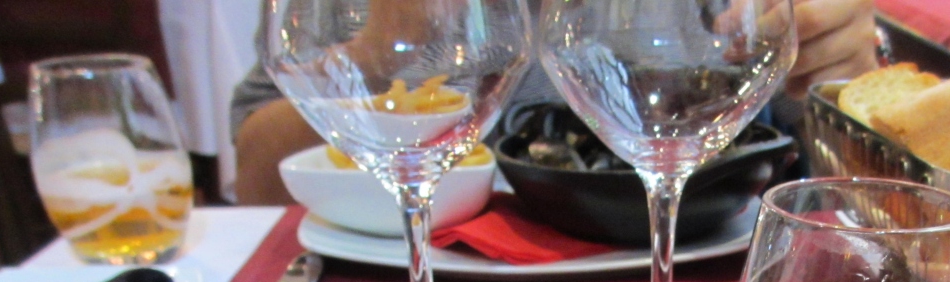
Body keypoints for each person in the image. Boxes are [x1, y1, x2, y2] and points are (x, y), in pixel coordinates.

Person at [231, 0, 881, 205]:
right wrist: (375, 55)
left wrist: (849, 84)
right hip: (407, 280)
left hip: (696, 270)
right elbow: (255, 178)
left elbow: (849, 190)